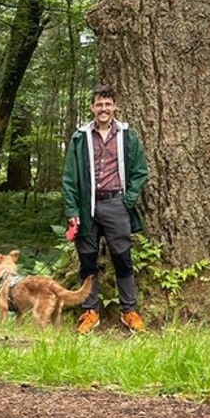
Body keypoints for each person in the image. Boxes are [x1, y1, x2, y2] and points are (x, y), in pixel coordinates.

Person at [62, 85, 149, 334]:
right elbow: (69, 177)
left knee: (122, 258)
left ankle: (129, 311)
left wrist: (128, 200)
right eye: (99, 104)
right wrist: (72, 210)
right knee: (87, 260)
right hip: (86, 208)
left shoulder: (126, 135)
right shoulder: (80, 137)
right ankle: (90, 312)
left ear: (115, 107)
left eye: (108, 104)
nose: (103, 109)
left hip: (116, 204)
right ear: (92, 107)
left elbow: (140, 170)